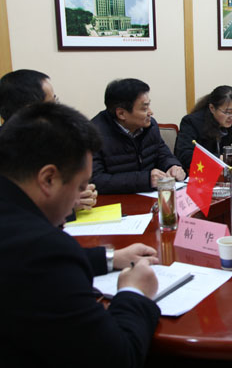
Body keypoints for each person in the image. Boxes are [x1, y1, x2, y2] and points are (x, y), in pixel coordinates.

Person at [0, 102, 161, 367]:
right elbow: (118, 358)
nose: (80, 200)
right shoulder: (42, 249)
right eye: (80, 187)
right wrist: (134, 292)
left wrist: (111, 258)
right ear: (48, 179)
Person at [0, 69, 97, 213]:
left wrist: (79, 193)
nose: (58, 108)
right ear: (31, 109)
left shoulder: (51, 139)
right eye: (52, 102)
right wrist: (65, 205)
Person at [92, 78, 185, 194]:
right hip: (116, 201)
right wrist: (145, 180)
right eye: (144, 108)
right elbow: (96, 180)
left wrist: (172, 166)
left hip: (150, 197)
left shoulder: (150, 126)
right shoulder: (93, 136)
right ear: (121, 113)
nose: (150, 112)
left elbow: (162, 153)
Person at [175, 85, 232, 171]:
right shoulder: (191, 122)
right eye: (228, 112)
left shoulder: (231, 124)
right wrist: (221, 158)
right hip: (198, 173)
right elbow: (185, 155)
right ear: (212, 108)